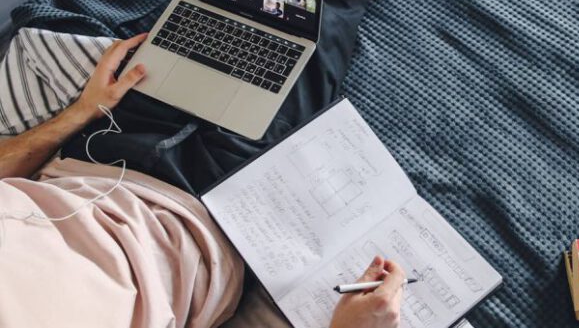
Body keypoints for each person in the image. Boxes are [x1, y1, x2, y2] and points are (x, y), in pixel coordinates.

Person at [0, 36, 407, 328]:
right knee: (313, 38)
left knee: (214, 22)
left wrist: (84, 111)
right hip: (207, 222)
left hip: (96, 155)